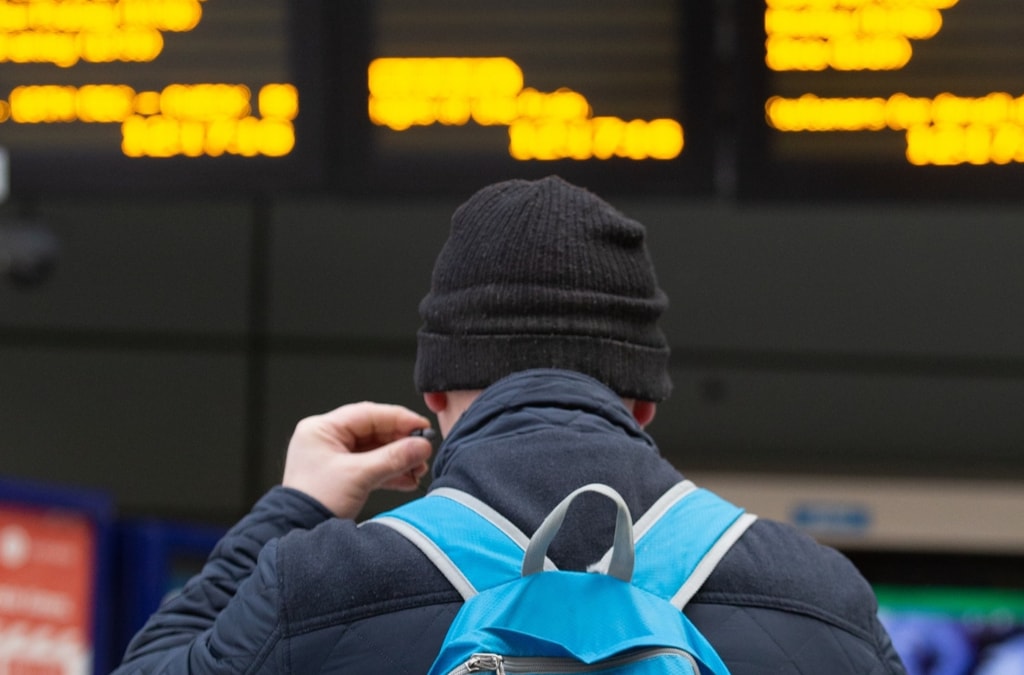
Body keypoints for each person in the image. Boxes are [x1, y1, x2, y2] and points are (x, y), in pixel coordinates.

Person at [114, 176, 907, 674]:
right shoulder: (821, 597)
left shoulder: (315, 585)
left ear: (437, 398)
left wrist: (294, 508)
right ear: (643, 402)